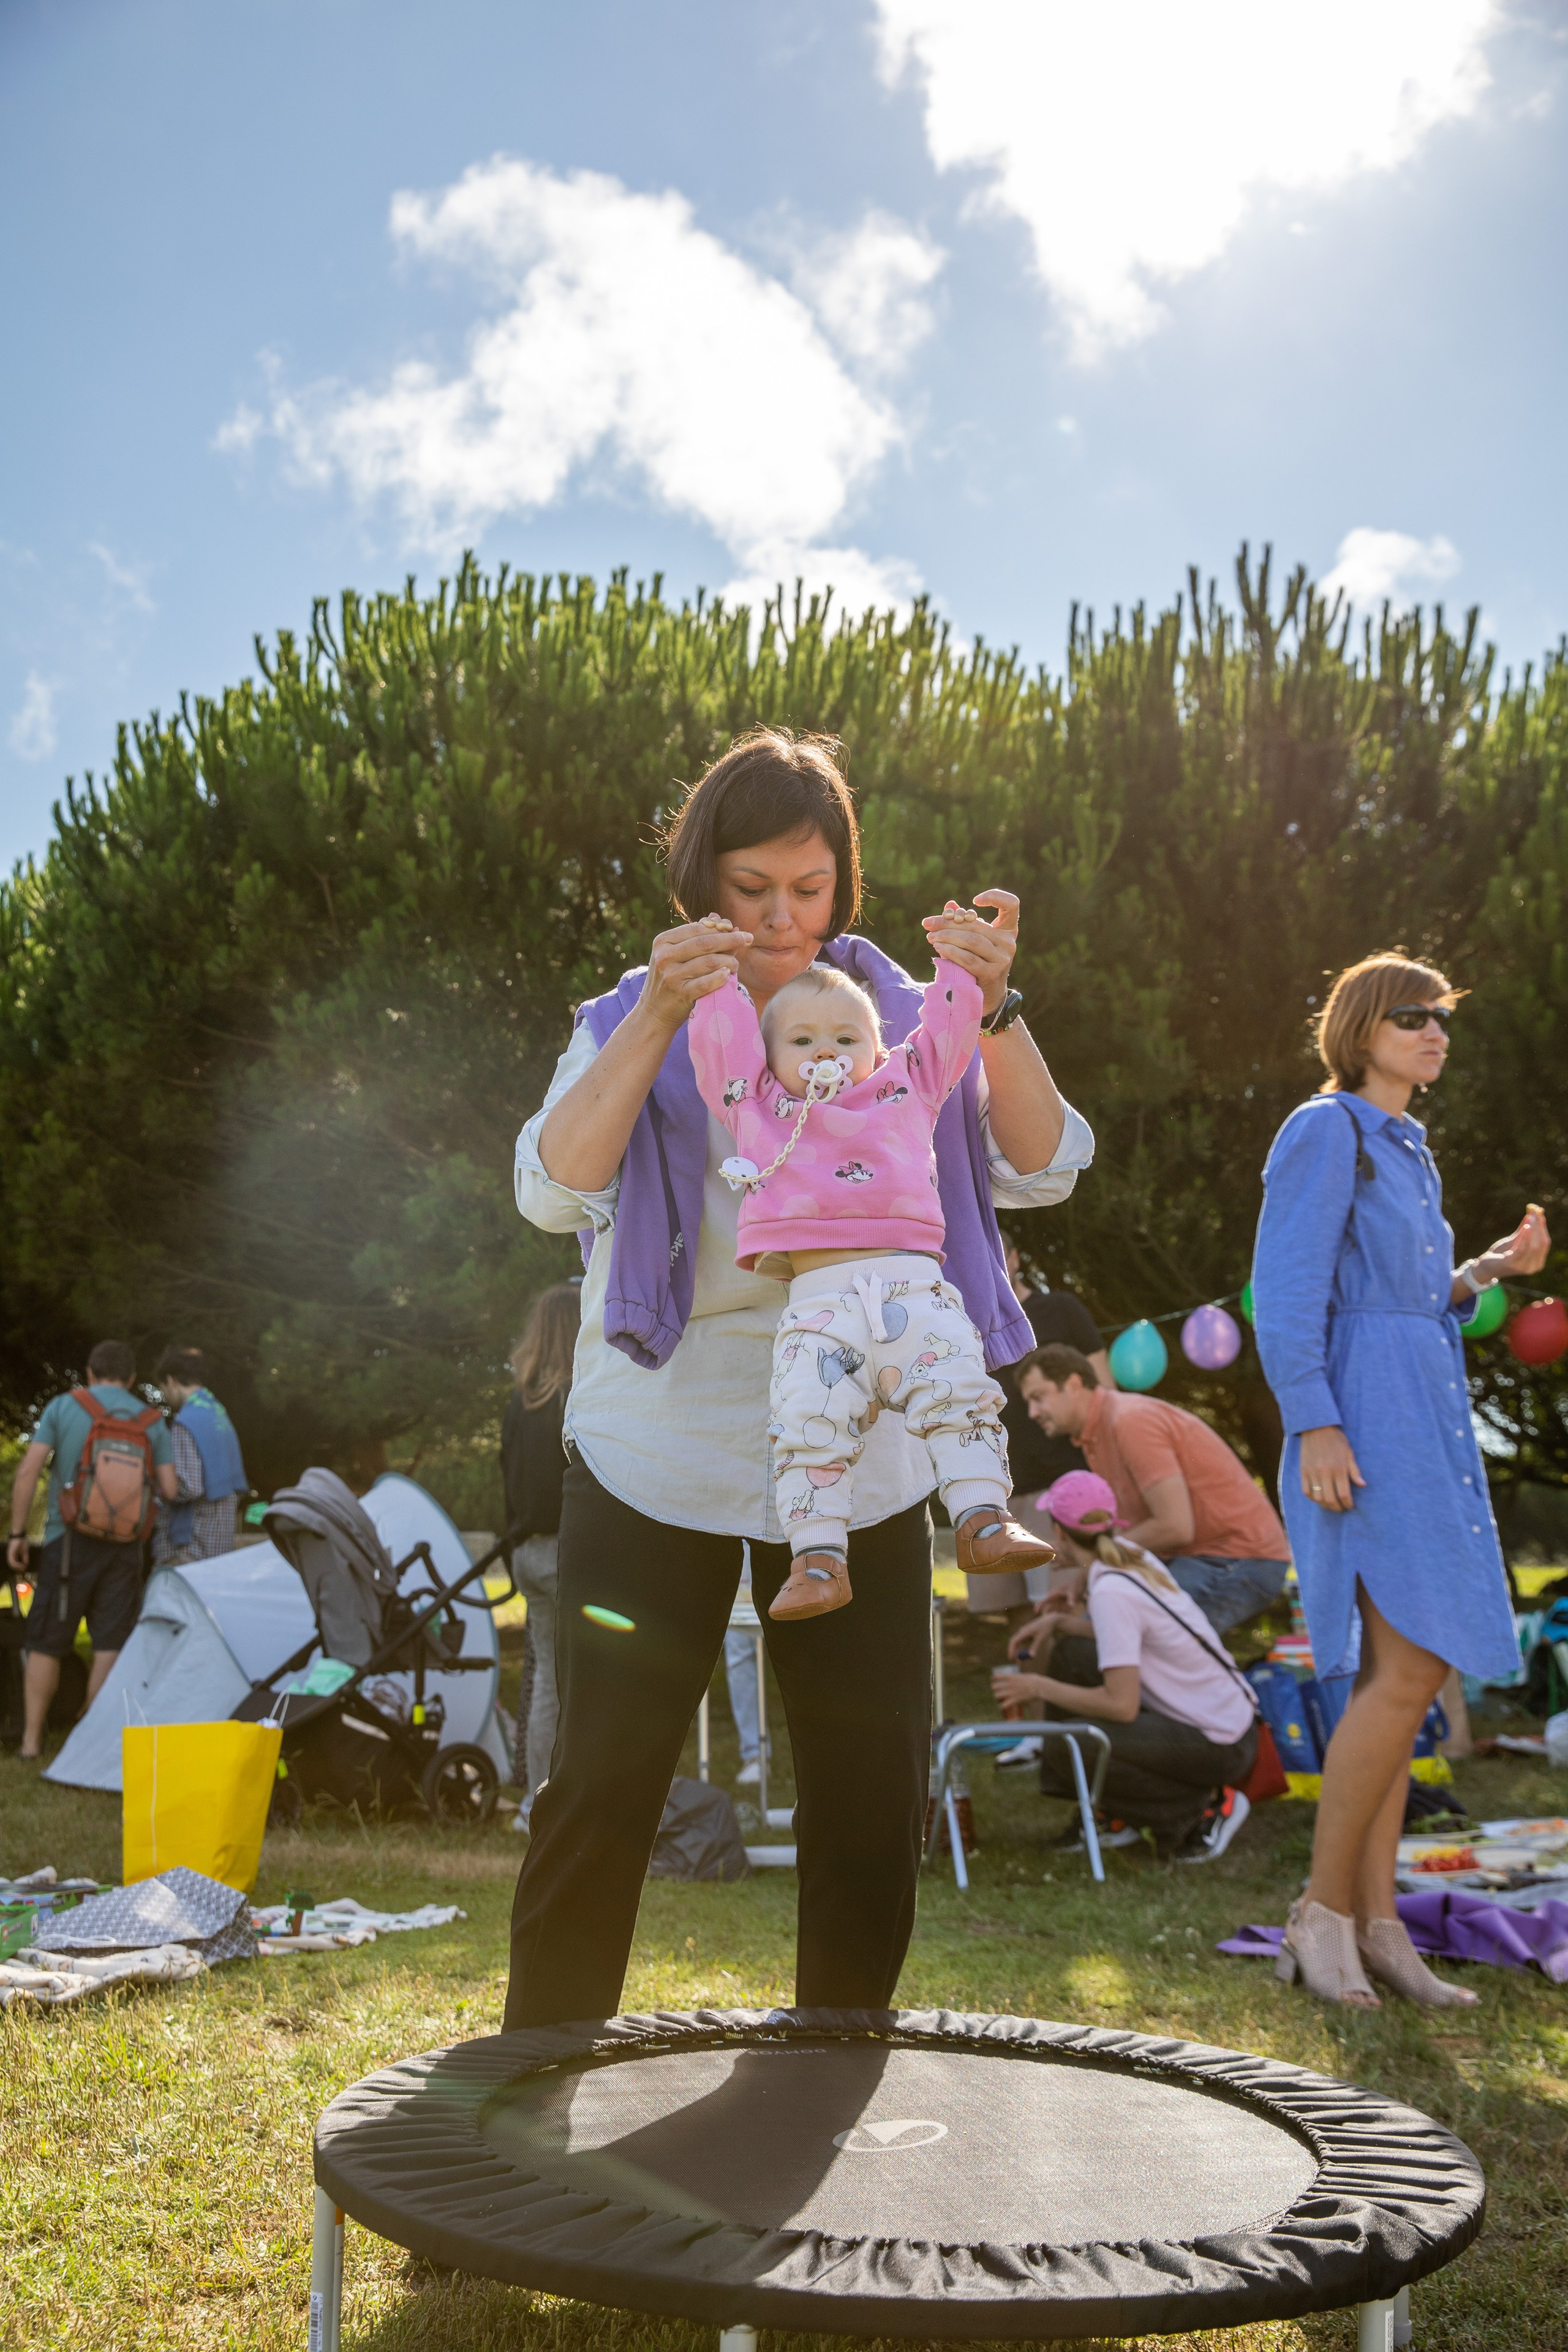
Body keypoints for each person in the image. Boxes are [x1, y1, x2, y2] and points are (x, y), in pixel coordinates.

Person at [505, 725, 1095, 2024]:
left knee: (869, 1784)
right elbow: (553, 1190)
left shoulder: (891, 1024)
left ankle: (838, 2064)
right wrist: (659, 1010)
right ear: (697, 882)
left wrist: (992, 1005)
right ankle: (529, 2094)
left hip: (860, 1449)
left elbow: (1044, 1164)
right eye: (749, 890)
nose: (779, 922)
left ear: (844, 886)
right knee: (602, 1780)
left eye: (809, 889)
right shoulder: (628, 1010)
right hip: (663, 1436)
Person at [1253, 950, 1551, 2007]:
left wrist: (1483, 1275)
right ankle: (1323, 1913)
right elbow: (1284, 1293)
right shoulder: (1324, 1129)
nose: (1435, 1031)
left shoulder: (1406, 1146)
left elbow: (1405, 1297)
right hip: (1365, 1427)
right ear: (1363, 1024)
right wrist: (1317, 1425)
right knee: (1409, 1674)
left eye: (1443, 1017)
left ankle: (1378, 1927)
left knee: (1406, 1678)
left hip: (1421, 1423)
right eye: (1412, 1015)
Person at [690, 929, 1053, 1618]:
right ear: (765, 1059)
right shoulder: (757, 1107)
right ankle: (819, 1558)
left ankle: (982, 1518)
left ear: (877, 1050)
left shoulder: (904, 1086)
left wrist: (956, 960)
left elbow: (947, 1027)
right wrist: (717, 982)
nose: (824, 1050)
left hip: (914, 1292)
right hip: (818, 1308)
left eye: (845, 1039)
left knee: (960, 1397)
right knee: (808, 1426)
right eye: (800, 1041)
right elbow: (719, 1044)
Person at [994, 1471, 1258, 1860]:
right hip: (1230, 1720)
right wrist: (1060, 1623)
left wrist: (1038, 1688)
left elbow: (1121, 1705)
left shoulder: (1112, 1591)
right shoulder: (1132, 1559)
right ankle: (1106, 1812)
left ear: (1061, 1532)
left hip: (1218, 1742)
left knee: (1071, 1744)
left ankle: (1203, 1809)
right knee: (1071, 1655)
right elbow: (1137, 1635)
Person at [1016, 1344, 1290, 1631]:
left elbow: (1174, 1527)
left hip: (1238, 1558)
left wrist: (1092, 1560)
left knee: (1127, 1639)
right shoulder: (1100, 1430)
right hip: (1198, 1557)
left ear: (1073, 1384)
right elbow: (1140, 1532)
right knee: (1102, 1632)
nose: (1033, 1413)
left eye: (1038, 1398)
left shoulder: (1130, 1421)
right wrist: (1084, 1578)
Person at [7, 1340, 177, 1761]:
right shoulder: (151, 1421)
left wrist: (16, 1535)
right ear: (132, 1379)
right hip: (125, 1546)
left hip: (67, 1539)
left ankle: (31, 1741)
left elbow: (29, 1470)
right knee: (111, 1641)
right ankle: (88, 1735)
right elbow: (170, 1489)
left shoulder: (64, 1407)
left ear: (90, 1372)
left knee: (47, 1640)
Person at [500, 1281, 579, 1820]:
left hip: (526, 1552)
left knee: (545, 1681)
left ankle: (535, 1801)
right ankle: (567, 1798)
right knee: (580, 1681)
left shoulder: (519, 1403)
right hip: (566, 1552)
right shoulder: (574, 1400)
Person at [1001, 1242, 1112, 1494]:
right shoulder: (970, 1328)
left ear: (1015, 1258)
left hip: (1081, 1474)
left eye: (998, 1257)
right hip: (1015, 1488)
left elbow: (1105, 1390)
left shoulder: (1062, 1308)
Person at [152, 1348, 249, 1564]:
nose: (165, 1396)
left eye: (163, 1389)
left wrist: (158, 1487)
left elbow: (188, 1486)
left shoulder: (186, 1422)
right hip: (220, 1542)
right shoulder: (219, 1413)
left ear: (171, 1380)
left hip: (191, 1547)